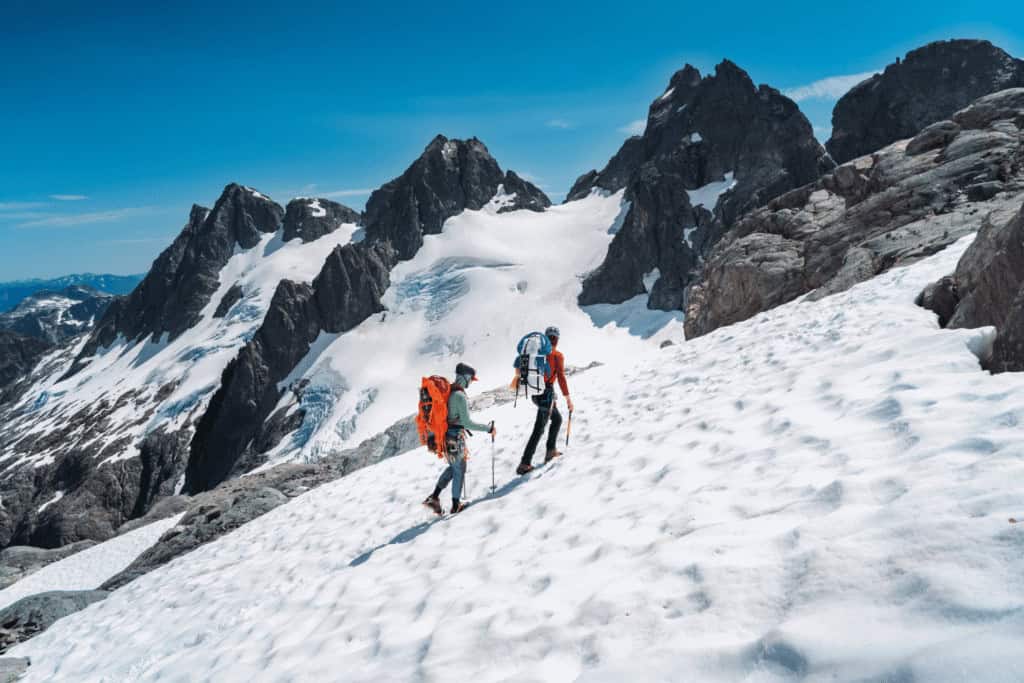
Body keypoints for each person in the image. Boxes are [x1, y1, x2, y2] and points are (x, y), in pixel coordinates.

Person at [423, 362, 495, 515]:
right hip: (455, 438)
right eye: (471, 379)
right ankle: (456, 505)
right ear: (466, 377)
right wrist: (487, 429)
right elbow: (467, 422)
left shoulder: (449, 391)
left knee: (453, 468)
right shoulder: (459, 395)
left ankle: (434, 497)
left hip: (445, 437)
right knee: (459, 470)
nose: (470, 382)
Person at [516, 326, 574, 475]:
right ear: (557, 339)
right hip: (546, 393)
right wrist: (568, 399)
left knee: (557, 419)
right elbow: (561, 377)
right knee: (539, 428)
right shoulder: (557, 355)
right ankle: (525, 463)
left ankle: (550, 450)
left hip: (536, 393)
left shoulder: (536, 354)